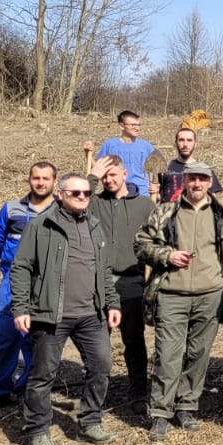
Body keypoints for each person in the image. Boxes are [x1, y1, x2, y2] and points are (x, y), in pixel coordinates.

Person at [10, 172, 122, 445]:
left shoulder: (94, 226)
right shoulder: (41, 226)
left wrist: (112, 303)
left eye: (86, 193)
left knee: (101, 366)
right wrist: (21, 307)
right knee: (43, 374)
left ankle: (90, 421)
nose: (82, 197)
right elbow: (21, 267)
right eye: (76, 193)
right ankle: (38, 432)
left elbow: (104, 270)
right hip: (52, 315)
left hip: (91, 314)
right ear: (60, 195)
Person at [135, 162, 223, 442]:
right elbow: (141, 244)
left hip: (210, 296)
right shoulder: (165, 212)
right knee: (167, 355)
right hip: (171, 294)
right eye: (192, 178)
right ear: (184, 181)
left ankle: (186, 406)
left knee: (198, 354)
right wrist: (167, 256)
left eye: (202, 179)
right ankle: (161, 412)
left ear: (210, 183)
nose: (197, 184)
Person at [0, 162, 58, 415]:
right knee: (3, 338)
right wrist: (10, 272)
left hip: (47, 285)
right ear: (29, 180)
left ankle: (28, 391)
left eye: (46, 178)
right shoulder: (11, 209)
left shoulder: (62, 209)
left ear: (54, 182)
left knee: (37, 341)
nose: (40, 183)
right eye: (36, 178)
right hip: (12, 283)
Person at [89, 156, 154, 406]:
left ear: (124, 174)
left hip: (132, 281)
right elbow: (71, 202)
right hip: (99, 281)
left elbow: (158, 240)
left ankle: (138, 392)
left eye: (113, 174)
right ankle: (97, 393)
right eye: (104, 176)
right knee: (97, 341)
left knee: (134, 340)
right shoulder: (94, 203)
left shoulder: (145, 205)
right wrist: (92, 177)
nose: (108, 180)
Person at [84, 110, 158, 197]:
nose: (137, 128)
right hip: (115, 195)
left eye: (138, 125)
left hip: (141, 195)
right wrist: (88, 154)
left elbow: (155, 172)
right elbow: (98, 168)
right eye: (133, 125)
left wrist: (155, 188)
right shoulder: (110, 145)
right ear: (122, 126)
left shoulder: (146, 146)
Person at [158, 126, 223, 203]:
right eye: (181, 140)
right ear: (176, 143)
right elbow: (156, 195)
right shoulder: (165, 167)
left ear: (195, 144)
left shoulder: (204, 169)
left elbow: (213, 199)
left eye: (189, 140)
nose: (185, 144)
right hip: (169, 210)